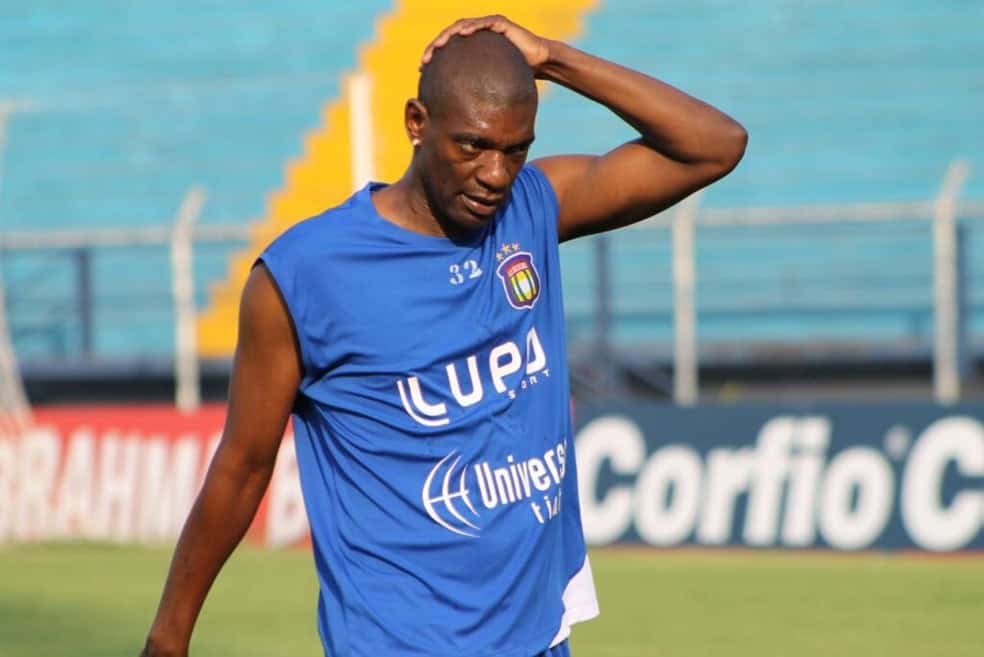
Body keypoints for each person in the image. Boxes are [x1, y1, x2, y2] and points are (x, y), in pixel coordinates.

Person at [140, 15, 746, 657]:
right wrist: (169, 636)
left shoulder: (533, 208)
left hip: (539, 637)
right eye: (472, 146)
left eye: (516, 150)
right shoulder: (306, 273)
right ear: (416, 123)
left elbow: (715, 145)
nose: (495, 174)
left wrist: (552, 58)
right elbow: (242, 466)